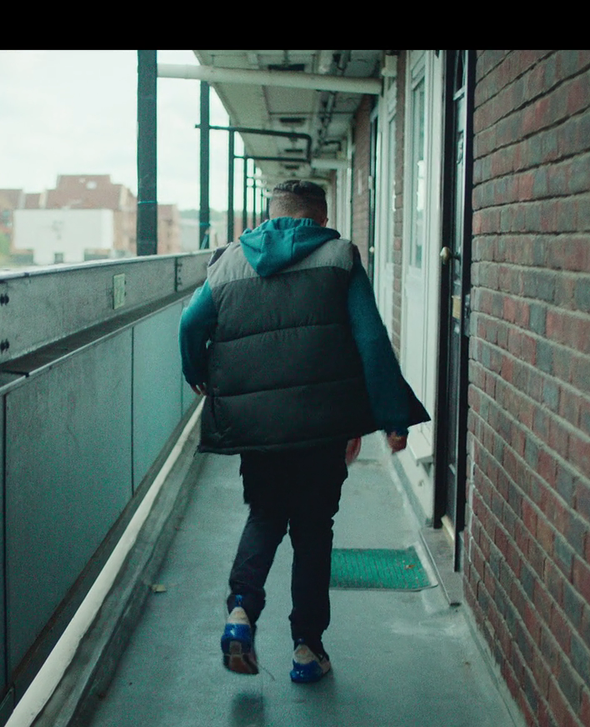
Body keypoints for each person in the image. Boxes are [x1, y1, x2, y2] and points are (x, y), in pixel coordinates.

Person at [179, 179, 430, 683]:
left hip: (257, 426)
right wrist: (392, 419)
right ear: (319, 216)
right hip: (322, 425)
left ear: (271, 215)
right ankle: (306, 650)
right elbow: (371, 339)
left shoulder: (230, 262)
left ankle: (240, 613)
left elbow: (190, 324)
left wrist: (198, 374)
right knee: (313, 531)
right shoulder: (339, 257)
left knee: (266, 514)